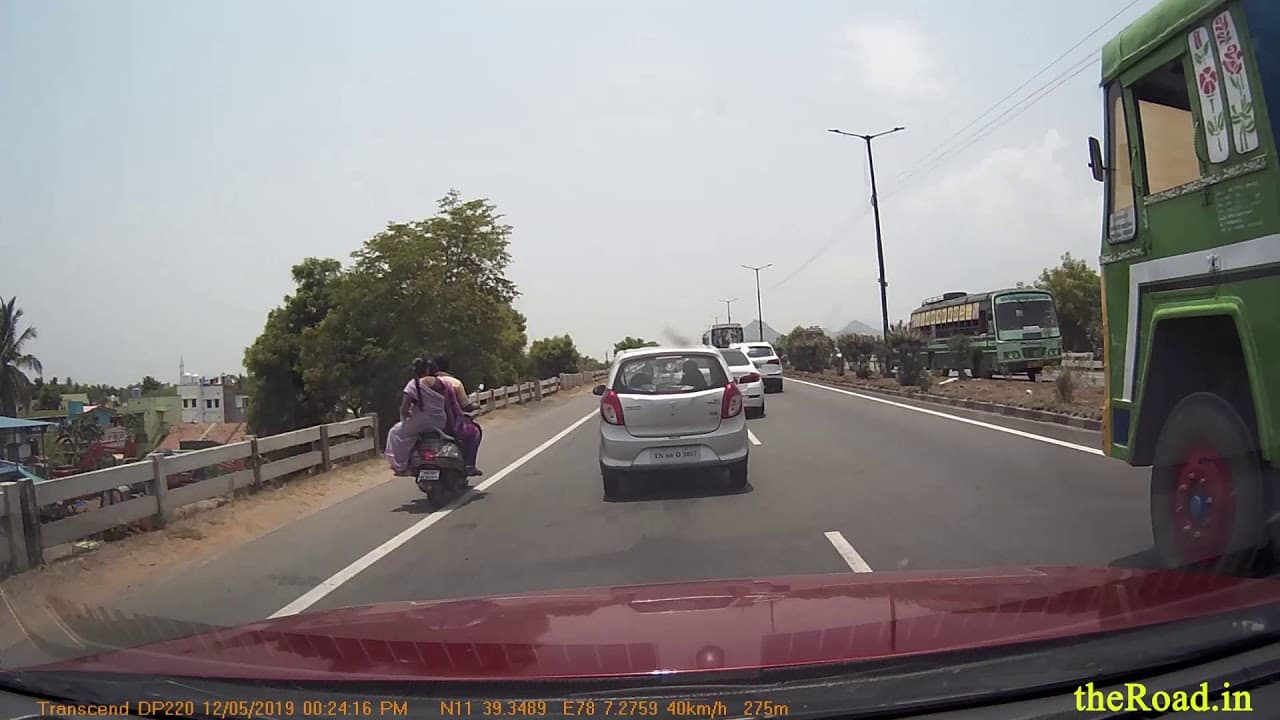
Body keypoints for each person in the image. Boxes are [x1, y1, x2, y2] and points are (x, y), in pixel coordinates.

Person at [384, 358, 451, 475]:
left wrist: (407, 416)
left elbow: (404, 409)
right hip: (440, 420)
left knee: (395, 432)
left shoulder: (413, 384)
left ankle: (401, 466)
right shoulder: (439, 382)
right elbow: (447, 403)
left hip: (421, 422)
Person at [432, 355, 484, 476]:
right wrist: (474, 406)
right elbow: (465, 405)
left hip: (429, 423)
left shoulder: (425, 382)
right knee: (475, 432)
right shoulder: (454, 383)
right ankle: (469, 465)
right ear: (448, 368)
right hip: (451, 424)